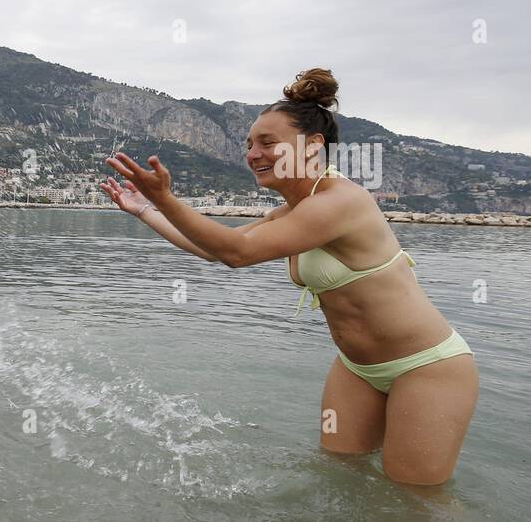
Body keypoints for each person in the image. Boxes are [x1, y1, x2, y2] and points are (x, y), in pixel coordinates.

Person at [102, 68, 477, 485]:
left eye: (267, 142)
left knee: (416, 503)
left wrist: (166, 198)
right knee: (339, 478)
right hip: (357, 367)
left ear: (312, 145)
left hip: (426, 367)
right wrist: (145, 210)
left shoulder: (340, 203)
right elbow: (212, 250)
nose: (253, 153)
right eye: (248, 145)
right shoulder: (292, 212)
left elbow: (236, 253)